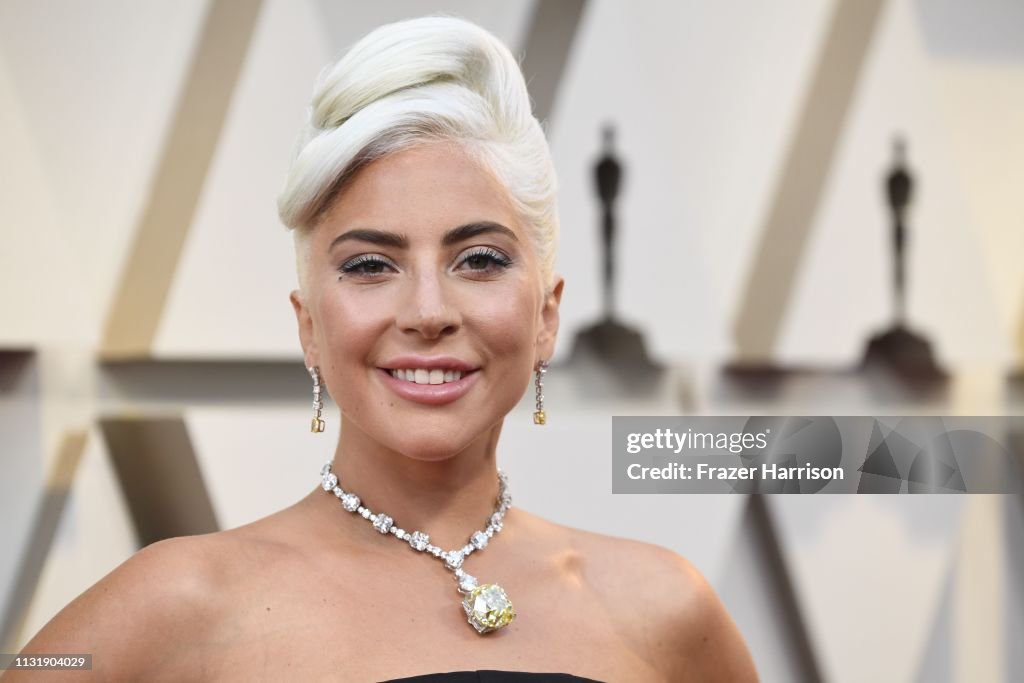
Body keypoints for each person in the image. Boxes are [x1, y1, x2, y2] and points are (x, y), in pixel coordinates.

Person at [10, 16, 757, 682]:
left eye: (480, 260)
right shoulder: (180, 603)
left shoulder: (667, 613)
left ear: (546, 318)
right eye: (371, 265)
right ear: (309, 325)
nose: (428, 311)